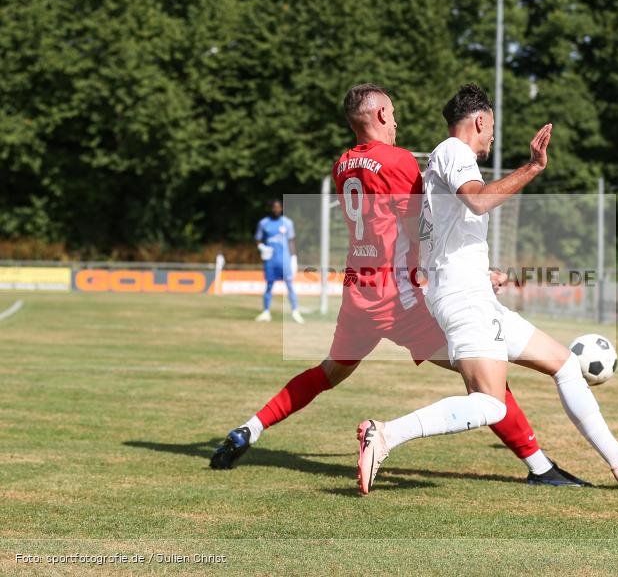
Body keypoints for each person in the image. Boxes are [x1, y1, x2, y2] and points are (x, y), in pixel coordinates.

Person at [211, 83, 588, 487]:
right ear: (379, 116)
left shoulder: (343, 164)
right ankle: (541, 468)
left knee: (327, 374)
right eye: (392, 115)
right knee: (483, 372)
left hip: (358, 294)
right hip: (399, 299)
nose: (397, 123)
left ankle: (250, 429)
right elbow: (421, 232)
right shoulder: (399, 161)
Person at [356, 84, 618, 494]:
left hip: (470, 292)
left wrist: (482, 271)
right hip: (464, 300)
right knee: (489, 404)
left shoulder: (445, 161)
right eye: (491, 128)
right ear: (480, 121)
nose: (491, 137)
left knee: (563, 363)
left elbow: (442, 234)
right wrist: (533, 167)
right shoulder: (454, 152)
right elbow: (478, 202)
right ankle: (385, 435)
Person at [255, 199, 304, 324]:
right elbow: (258, 239)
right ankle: (266, 312)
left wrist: (294, 258)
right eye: (273, 207)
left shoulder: (287, 223)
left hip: (285, 260)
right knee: (269, 285)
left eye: (278, 207)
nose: (276, 209)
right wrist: (261, 247)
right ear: (271, 208)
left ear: (281, 208)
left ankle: (295, 311)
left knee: (289, 285)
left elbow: (291, 241)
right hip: (270, 260)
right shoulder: (264, 223)